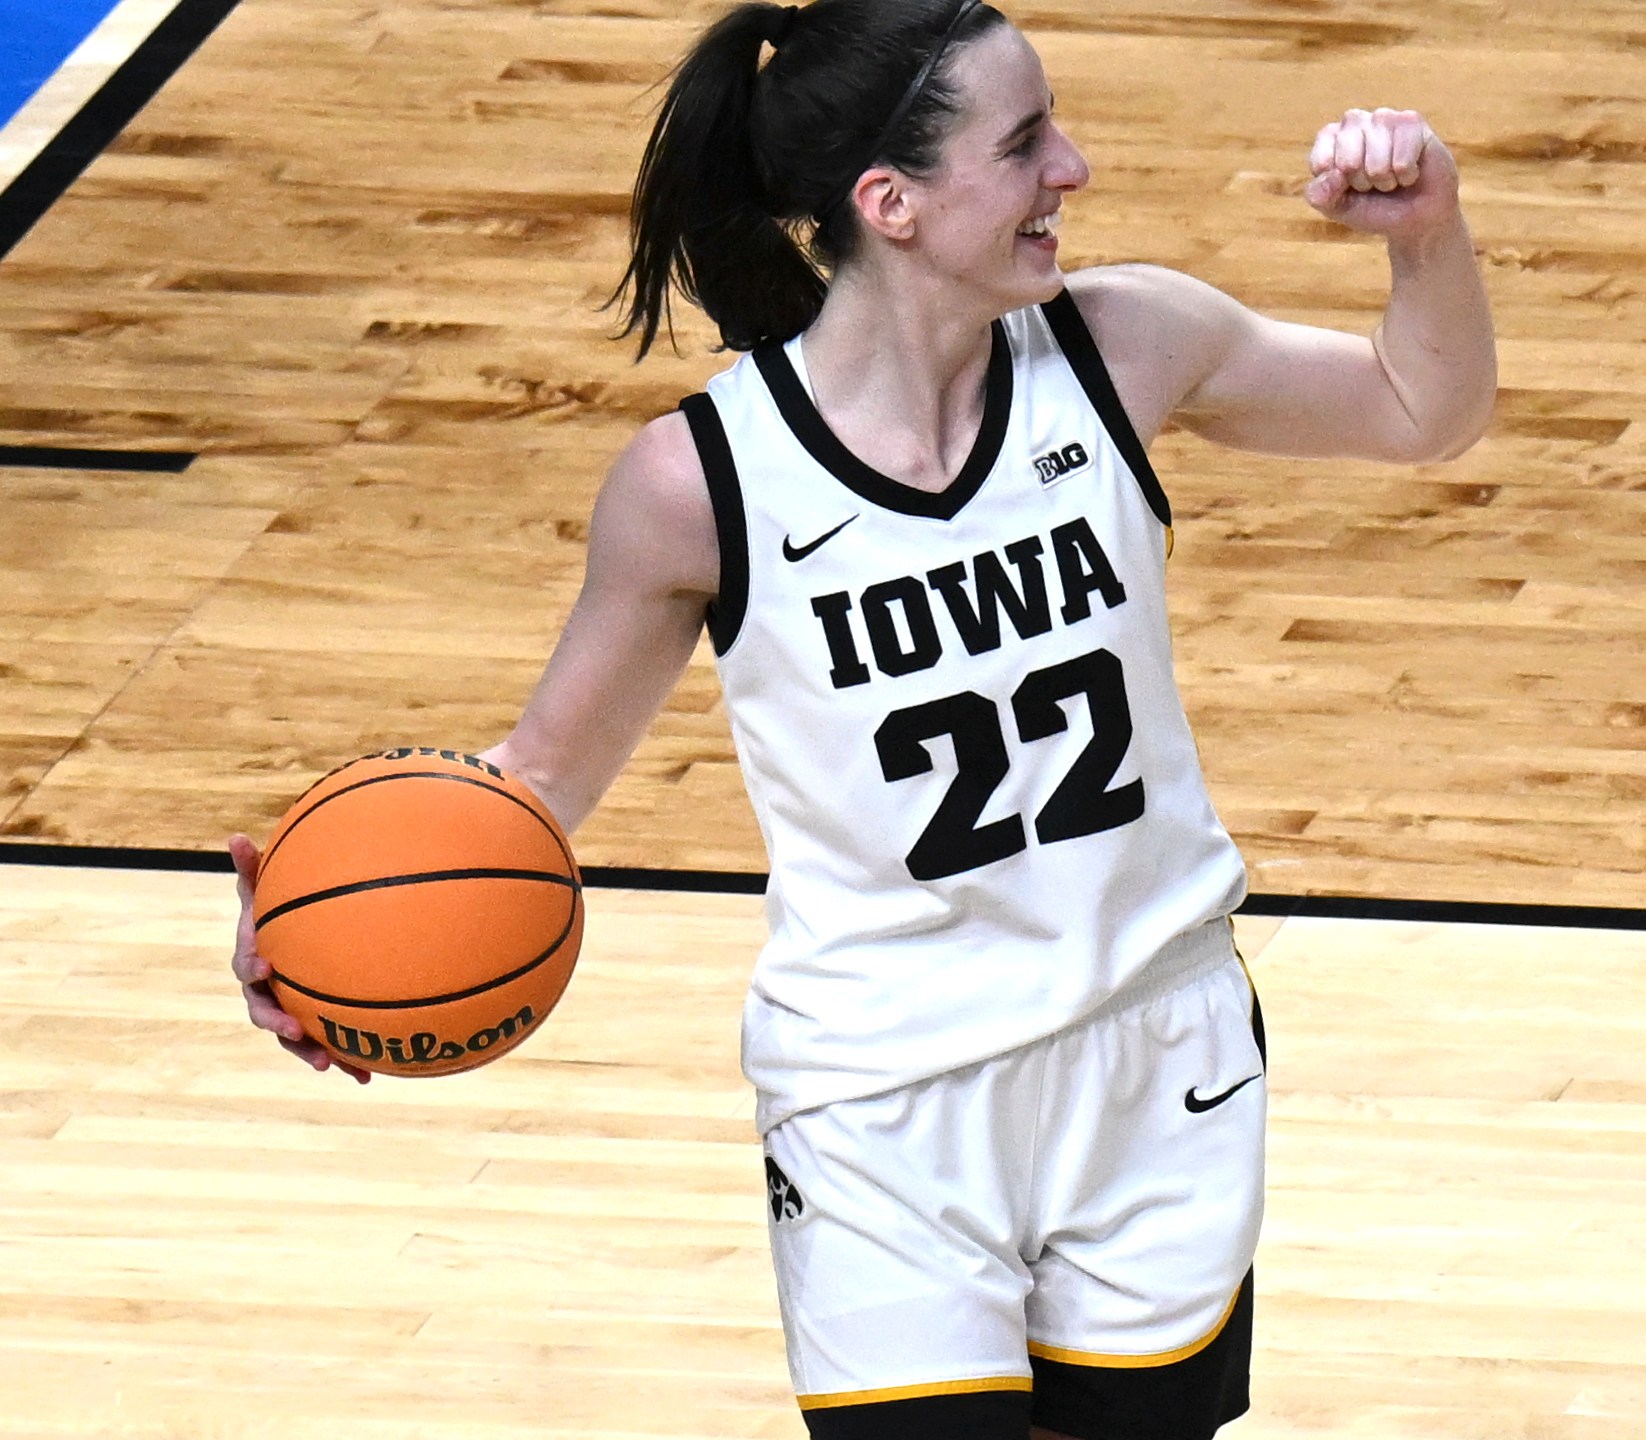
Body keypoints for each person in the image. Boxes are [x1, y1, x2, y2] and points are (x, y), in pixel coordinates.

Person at [228, 0, 1494, 1435]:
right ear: (889, 204)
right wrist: (328, 928)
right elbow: (530, 788)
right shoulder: (699, 480)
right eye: (1023, 146)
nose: (1070, 169)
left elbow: (1416, 409)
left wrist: (1423, 235)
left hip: (1156, 1044)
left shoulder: (1126, 345)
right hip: (880, 1087)